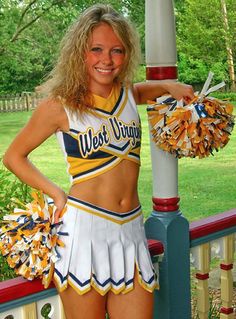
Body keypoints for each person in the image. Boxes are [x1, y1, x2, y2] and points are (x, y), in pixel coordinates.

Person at [3, 4, 194, 319]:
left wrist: (171, 87)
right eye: (96, 49)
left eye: (117, 51)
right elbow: (14, 157)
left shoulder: (127, 95)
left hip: (131, 231)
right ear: (80, 52)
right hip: (84, 232)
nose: (107, 59)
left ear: (127, 54)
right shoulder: (59, 106)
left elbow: (144, 91)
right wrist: (56, 194)